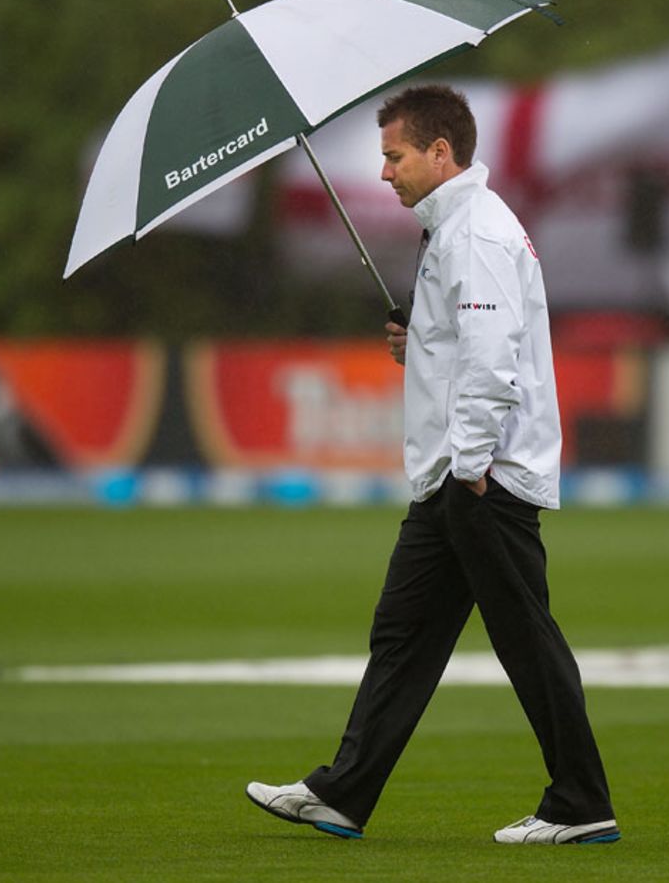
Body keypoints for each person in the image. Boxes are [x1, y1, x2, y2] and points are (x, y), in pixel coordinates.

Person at [246, 84, 618, 845]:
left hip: (480, 476)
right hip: (456, 476)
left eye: (395, 155)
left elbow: (492, 358)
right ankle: (343, 793)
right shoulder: (454, 230)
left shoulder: (476, 231)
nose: (385, 173)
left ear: (441, 153)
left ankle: (581, 803)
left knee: (525, 640)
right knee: (403, 635)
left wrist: (473, 460)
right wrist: (419, 340)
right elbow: (465, 344)